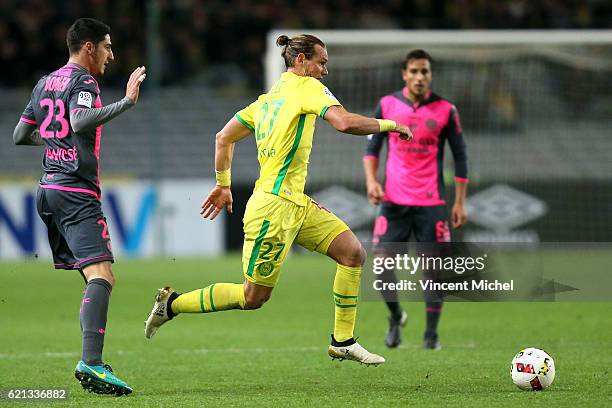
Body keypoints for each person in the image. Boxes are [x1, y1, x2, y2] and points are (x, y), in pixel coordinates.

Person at [145, 34, 412, 365]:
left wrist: (223, 184)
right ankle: (172, 304)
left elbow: (223, 137)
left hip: (296, 203)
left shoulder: (265, 100)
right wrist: (391, 124)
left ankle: (342, 340)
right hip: (273, 208)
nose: (325, 71)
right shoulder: (308, 88)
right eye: (321, 62)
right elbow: (342, 122)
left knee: (352, 254)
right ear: (300, 61)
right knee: (252, 297)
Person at [13, 18, 146, 395]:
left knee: (93, 277)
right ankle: (91, 363)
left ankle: (92, 359)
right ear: (89, 47)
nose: (110, 54)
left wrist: (58, 143)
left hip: (48, 188)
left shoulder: (44, 83)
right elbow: (80, 118)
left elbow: (20, 135)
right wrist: (126, 102)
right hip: (76, 192)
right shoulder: (83, 82)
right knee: (103, 275)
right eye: (106, 46)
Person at [363, 49, 468, 350]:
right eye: (414, 71)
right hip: (393, 202)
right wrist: (372, 182)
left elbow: (460, 157)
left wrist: (460, 202)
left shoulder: (446, 109)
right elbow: (372, 149)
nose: (420, 77)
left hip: (431, 203)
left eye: (425, 71)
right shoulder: (387, 104)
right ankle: (396, 316)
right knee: (381, 266)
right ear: (404, 74)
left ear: (430, 75)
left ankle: (431, 336)